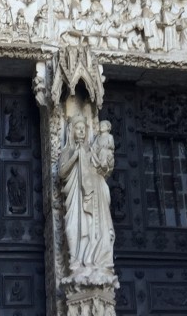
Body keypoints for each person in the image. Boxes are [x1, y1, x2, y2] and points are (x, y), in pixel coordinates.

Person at [59, 116, 115, 283]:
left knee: (91, 227)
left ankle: (93, 262)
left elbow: (99, 169)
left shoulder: (91, 151)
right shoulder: (66, 152)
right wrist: (75, 156)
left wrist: (104, 163)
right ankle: (76, 263)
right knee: (71, 228)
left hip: (90, 197)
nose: (82, 131)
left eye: (84, 128)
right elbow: (61, 173)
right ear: (71, 131)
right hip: (75, 197)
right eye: (78, 128)